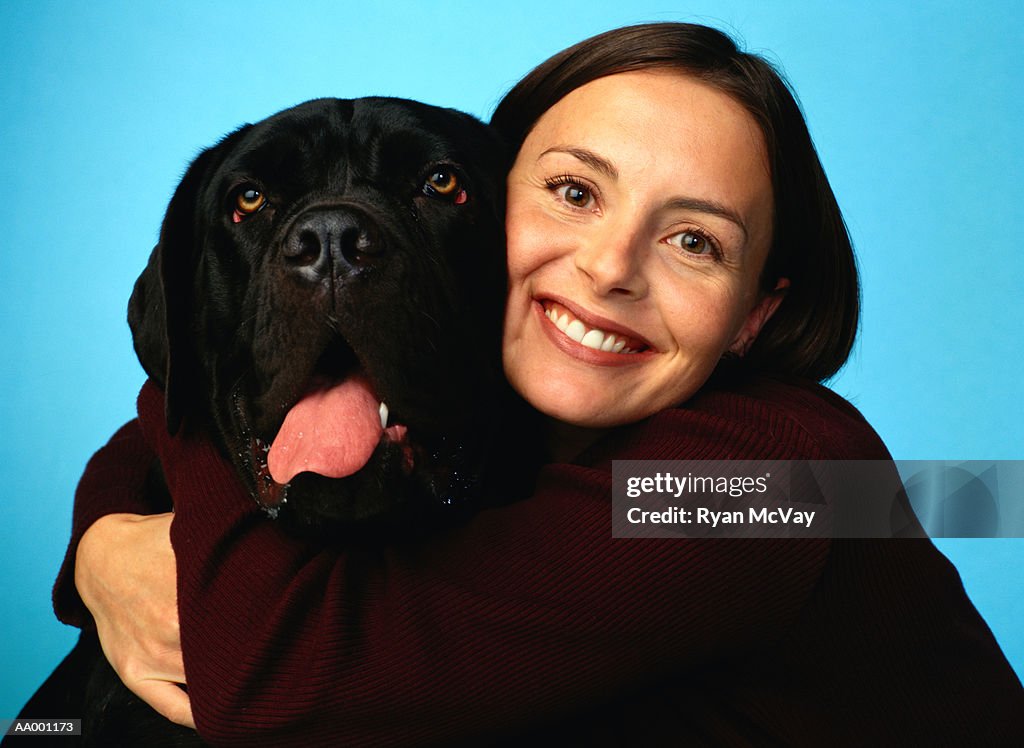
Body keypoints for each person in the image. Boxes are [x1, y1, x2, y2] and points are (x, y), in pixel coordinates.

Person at [50, 22, 1024, 746]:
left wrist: (115, 540)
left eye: (694, 241)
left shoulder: (780, 481)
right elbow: (161, 432)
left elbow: (277, 672)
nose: (609, 267)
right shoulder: (518, 384)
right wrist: (101, 534)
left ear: (755, 314)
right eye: (573, 191)